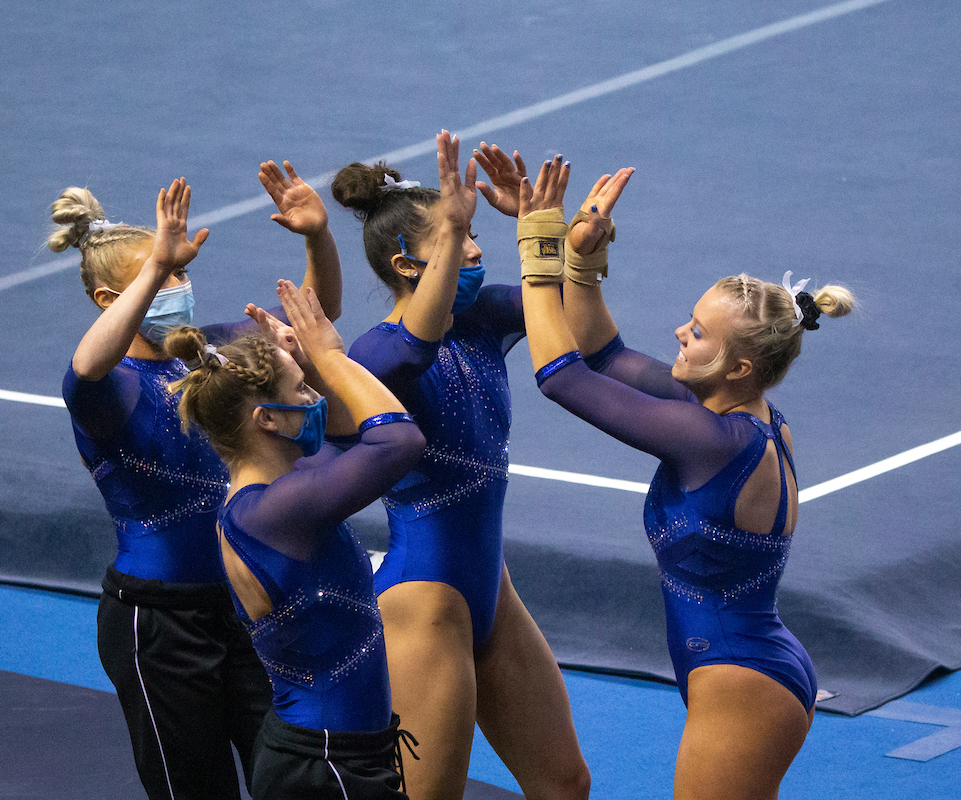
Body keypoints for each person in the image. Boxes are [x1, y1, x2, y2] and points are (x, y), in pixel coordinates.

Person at [515, 159, 854, 799]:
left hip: (742, 680)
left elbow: (562, 376)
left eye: (698, 333)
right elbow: (604, 355)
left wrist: (538, 248)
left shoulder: (711, 439)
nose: (679, 333)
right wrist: (581, 263)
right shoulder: (734, 415)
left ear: (739, 366)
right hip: (745, 667)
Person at [54, 164, 341, 800]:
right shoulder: (114, 389)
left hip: (244, 604)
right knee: (195, 790)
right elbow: (84, 368)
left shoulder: (216, 353)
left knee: (285, 772)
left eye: (181, 272)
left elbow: (310, 322)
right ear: (112, 301)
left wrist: (317, 238)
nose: (179, 283)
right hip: (157, 624)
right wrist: (155, 264)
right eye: (162, 275)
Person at [330, 132, 590, 800]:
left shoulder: (479, 319)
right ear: (406, 265)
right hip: (423, 604)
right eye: (456, 238)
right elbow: (416, 347)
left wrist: (537, 224)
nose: (475, 249)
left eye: (473, 234)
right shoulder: (377, 352)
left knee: (564, 784)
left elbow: (554, 300)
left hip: (491, 595)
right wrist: (451, 230)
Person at [165, 277, 426, 799]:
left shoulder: (276, 498)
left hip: (331, 755)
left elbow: (353, 436)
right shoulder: (275, 512)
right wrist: (329, 357)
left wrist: (308, 364)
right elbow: (400, 440)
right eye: (302, 389)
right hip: (326, 767)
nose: (315, 397)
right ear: (266, 420)